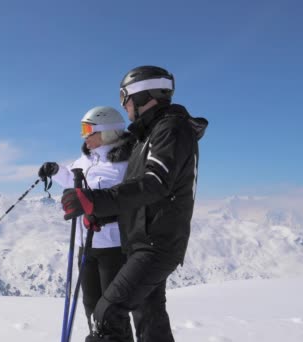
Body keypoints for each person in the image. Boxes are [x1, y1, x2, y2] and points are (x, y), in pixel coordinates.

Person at [60, 66, 209, 342]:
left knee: (106, 314)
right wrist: (100, 215)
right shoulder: (148, 136)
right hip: (143, 241)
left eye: (125, 97)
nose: (124, 105)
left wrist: (94, 201)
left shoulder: (171, 129)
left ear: (142, 96)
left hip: (156, 244)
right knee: (149, 320)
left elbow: (155, 184)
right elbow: (137, 195)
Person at [38, 106, 136, 341]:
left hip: (114, 246)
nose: (84, 135)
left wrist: (100, 210)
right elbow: (75, 182)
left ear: (108, 131)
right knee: (91, 306)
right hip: (87, 243)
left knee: (111, 311)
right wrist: (56, 170)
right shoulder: (85, 159)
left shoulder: (127, 163)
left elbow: (132, 199)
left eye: (88, 129)